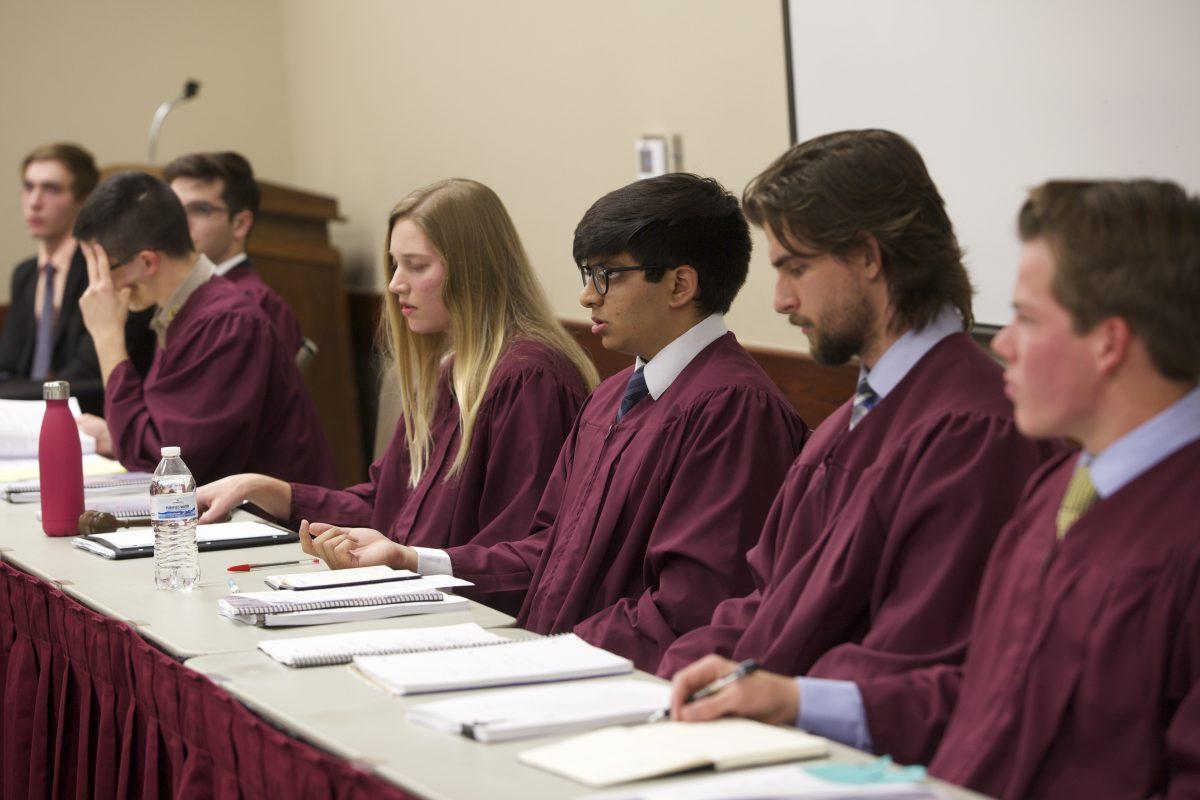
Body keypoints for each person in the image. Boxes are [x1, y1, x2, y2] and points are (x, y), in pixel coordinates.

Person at [668, 179, 1200, 799]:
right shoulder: (1061, 490)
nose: (1000, 344)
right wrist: (794, 698)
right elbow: (990, 697)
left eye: (1026, 319)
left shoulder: (1180, 530)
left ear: (1109, 342)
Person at [304, 173, 809, 672]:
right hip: (558, 663)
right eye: (586, 275)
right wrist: (413, 561)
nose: (587, 296)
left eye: (605, 276)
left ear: (680, 284)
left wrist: (542, 658)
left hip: (622, 689)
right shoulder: (613, 397)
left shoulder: (732, 408)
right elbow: (547, 553)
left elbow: (693, 608)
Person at [659, 130, 1058, 718]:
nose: (780, 300)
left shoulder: (973, 433)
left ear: (869, 256)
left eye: (795, 268)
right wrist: (673, 677)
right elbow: (765, 603)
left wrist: (773, 700)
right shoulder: (847, 424)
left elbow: (914, 662)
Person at [196, 179, 596, 612]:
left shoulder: (530, 378)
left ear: (473, 271)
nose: (394, 285)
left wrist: (409, 560)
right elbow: (390, 504)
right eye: (394, 265)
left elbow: (526, 552)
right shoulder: (448, 368)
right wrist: (270, 490)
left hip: (482, 622)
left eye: (416, 266)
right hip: (420, 604)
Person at [71, 170, 335, 486]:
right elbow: (163, 434)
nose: (97, 285)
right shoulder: (179, 309)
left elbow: (172, 468)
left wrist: (108, 340)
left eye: (101, 268)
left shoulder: (227, 322)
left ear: (146, 262)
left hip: (276, 525)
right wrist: (115, 436)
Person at [0, 143, 153, 413]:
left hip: (86, 415)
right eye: (29, 187)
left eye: (51, 189)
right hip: (26, 414)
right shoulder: (25, 274)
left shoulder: (108, 271)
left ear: (84, 200)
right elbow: (9, 364)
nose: (34, 202)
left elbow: (87, 373)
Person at [164, 151, 304, 354]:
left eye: (200, 210)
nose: (180, 222)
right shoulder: (179, 292)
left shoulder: (255, 304)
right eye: (174, 209)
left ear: (240, 224)